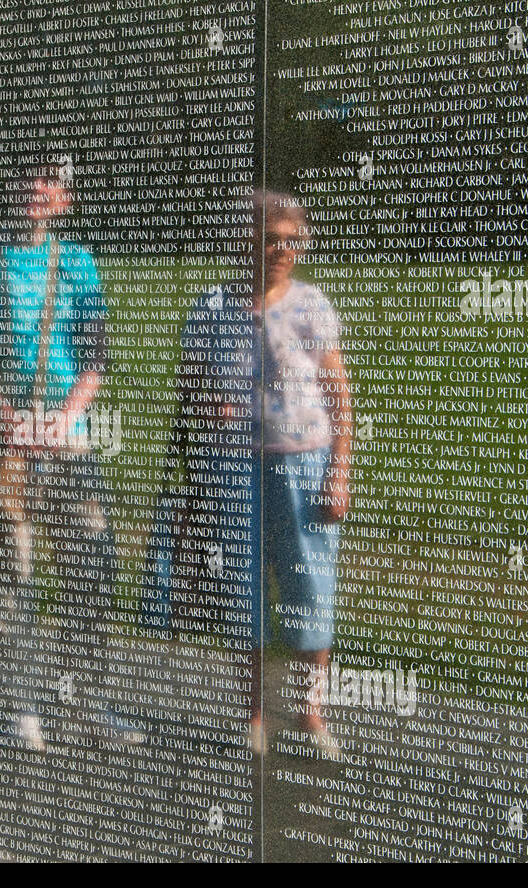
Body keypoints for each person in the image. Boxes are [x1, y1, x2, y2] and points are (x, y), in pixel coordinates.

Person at [0, 165, 123, 752]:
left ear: (65, 199)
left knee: (93, 566)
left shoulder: (78, 262)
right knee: (11, 573)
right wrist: (3, 409)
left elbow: (95, 353)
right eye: (29, 177)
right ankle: (22, 706)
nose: (38, 189)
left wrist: (64, 417)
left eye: (51, 181)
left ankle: (84, 696)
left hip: (66, 435)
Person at [175, 190, 351, 759]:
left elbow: (338, 394)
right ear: (243, 240)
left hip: (305, 464)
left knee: (310, 589)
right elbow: (190, 389)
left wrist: (339, 472)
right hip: (235, 466)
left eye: (289, 239)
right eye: (269, 237)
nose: (279, 249)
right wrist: (209, 410)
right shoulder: (210, 306)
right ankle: (252, 715)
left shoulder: (311, 305)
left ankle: (310, 713)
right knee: (242, 590)